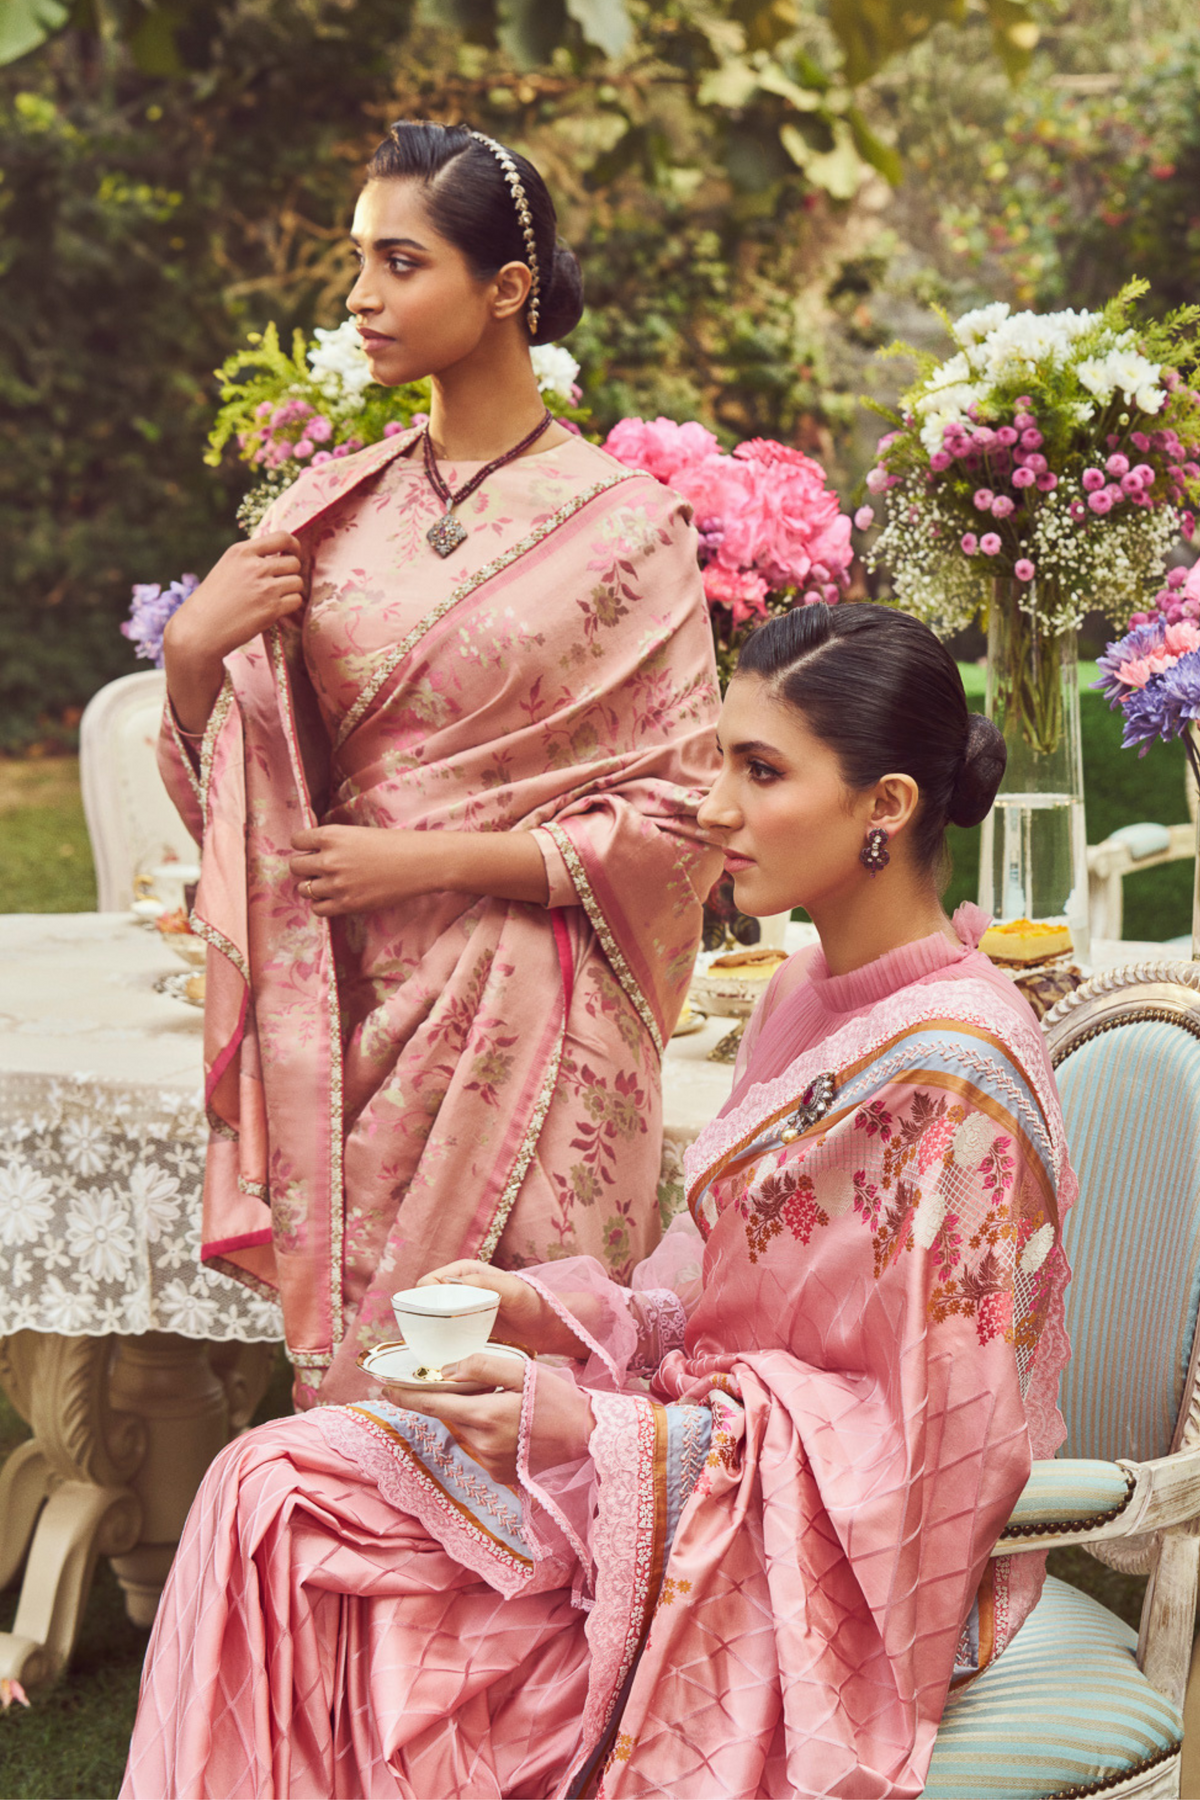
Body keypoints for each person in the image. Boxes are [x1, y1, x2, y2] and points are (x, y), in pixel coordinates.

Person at [122, 603, 1074, 1800]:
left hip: (804, 1567)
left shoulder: (962, 1070)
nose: (712, 806)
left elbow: (926, 1461)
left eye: (760, 770)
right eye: (720, 758)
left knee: (323, 1551)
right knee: (269, 1488)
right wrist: (535, 1314)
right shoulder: (798, 991)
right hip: (684, 1480)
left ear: (885, 806)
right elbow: (699, 1305)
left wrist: (588, 1432)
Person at [157, 120, 722, 1406]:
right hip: (349, 1005)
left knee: (502, 1408)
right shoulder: (331, 511)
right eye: (359, 260)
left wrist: (428, 858)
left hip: (539, 1012)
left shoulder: (628, 529)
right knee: (365, 1408)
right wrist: (194, 658)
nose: (362, 296)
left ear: (507, 287)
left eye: (401, 262)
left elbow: (685, 821)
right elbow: (248, 776)